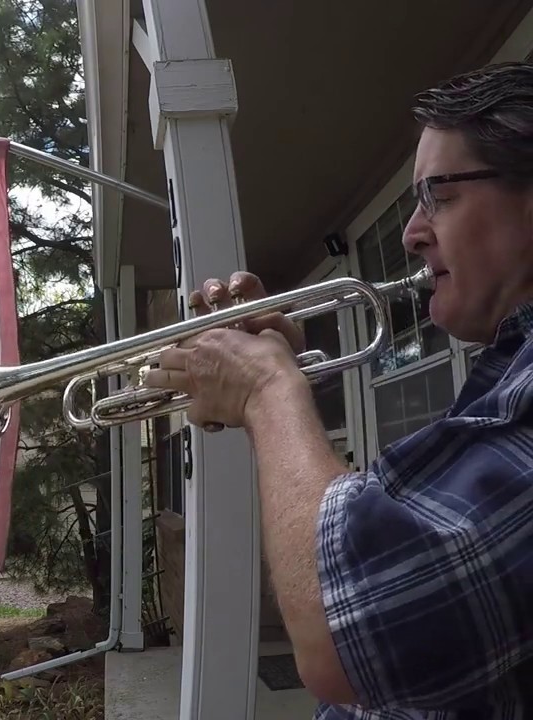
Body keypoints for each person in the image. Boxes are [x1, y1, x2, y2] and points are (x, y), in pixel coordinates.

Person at [143, 61, 533, 719]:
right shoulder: (507, 367)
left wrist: (268, 391)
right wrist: (289, 378)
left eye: (439, 193)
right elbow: (401, 526)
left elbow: (344, 642)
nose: (411, 232)